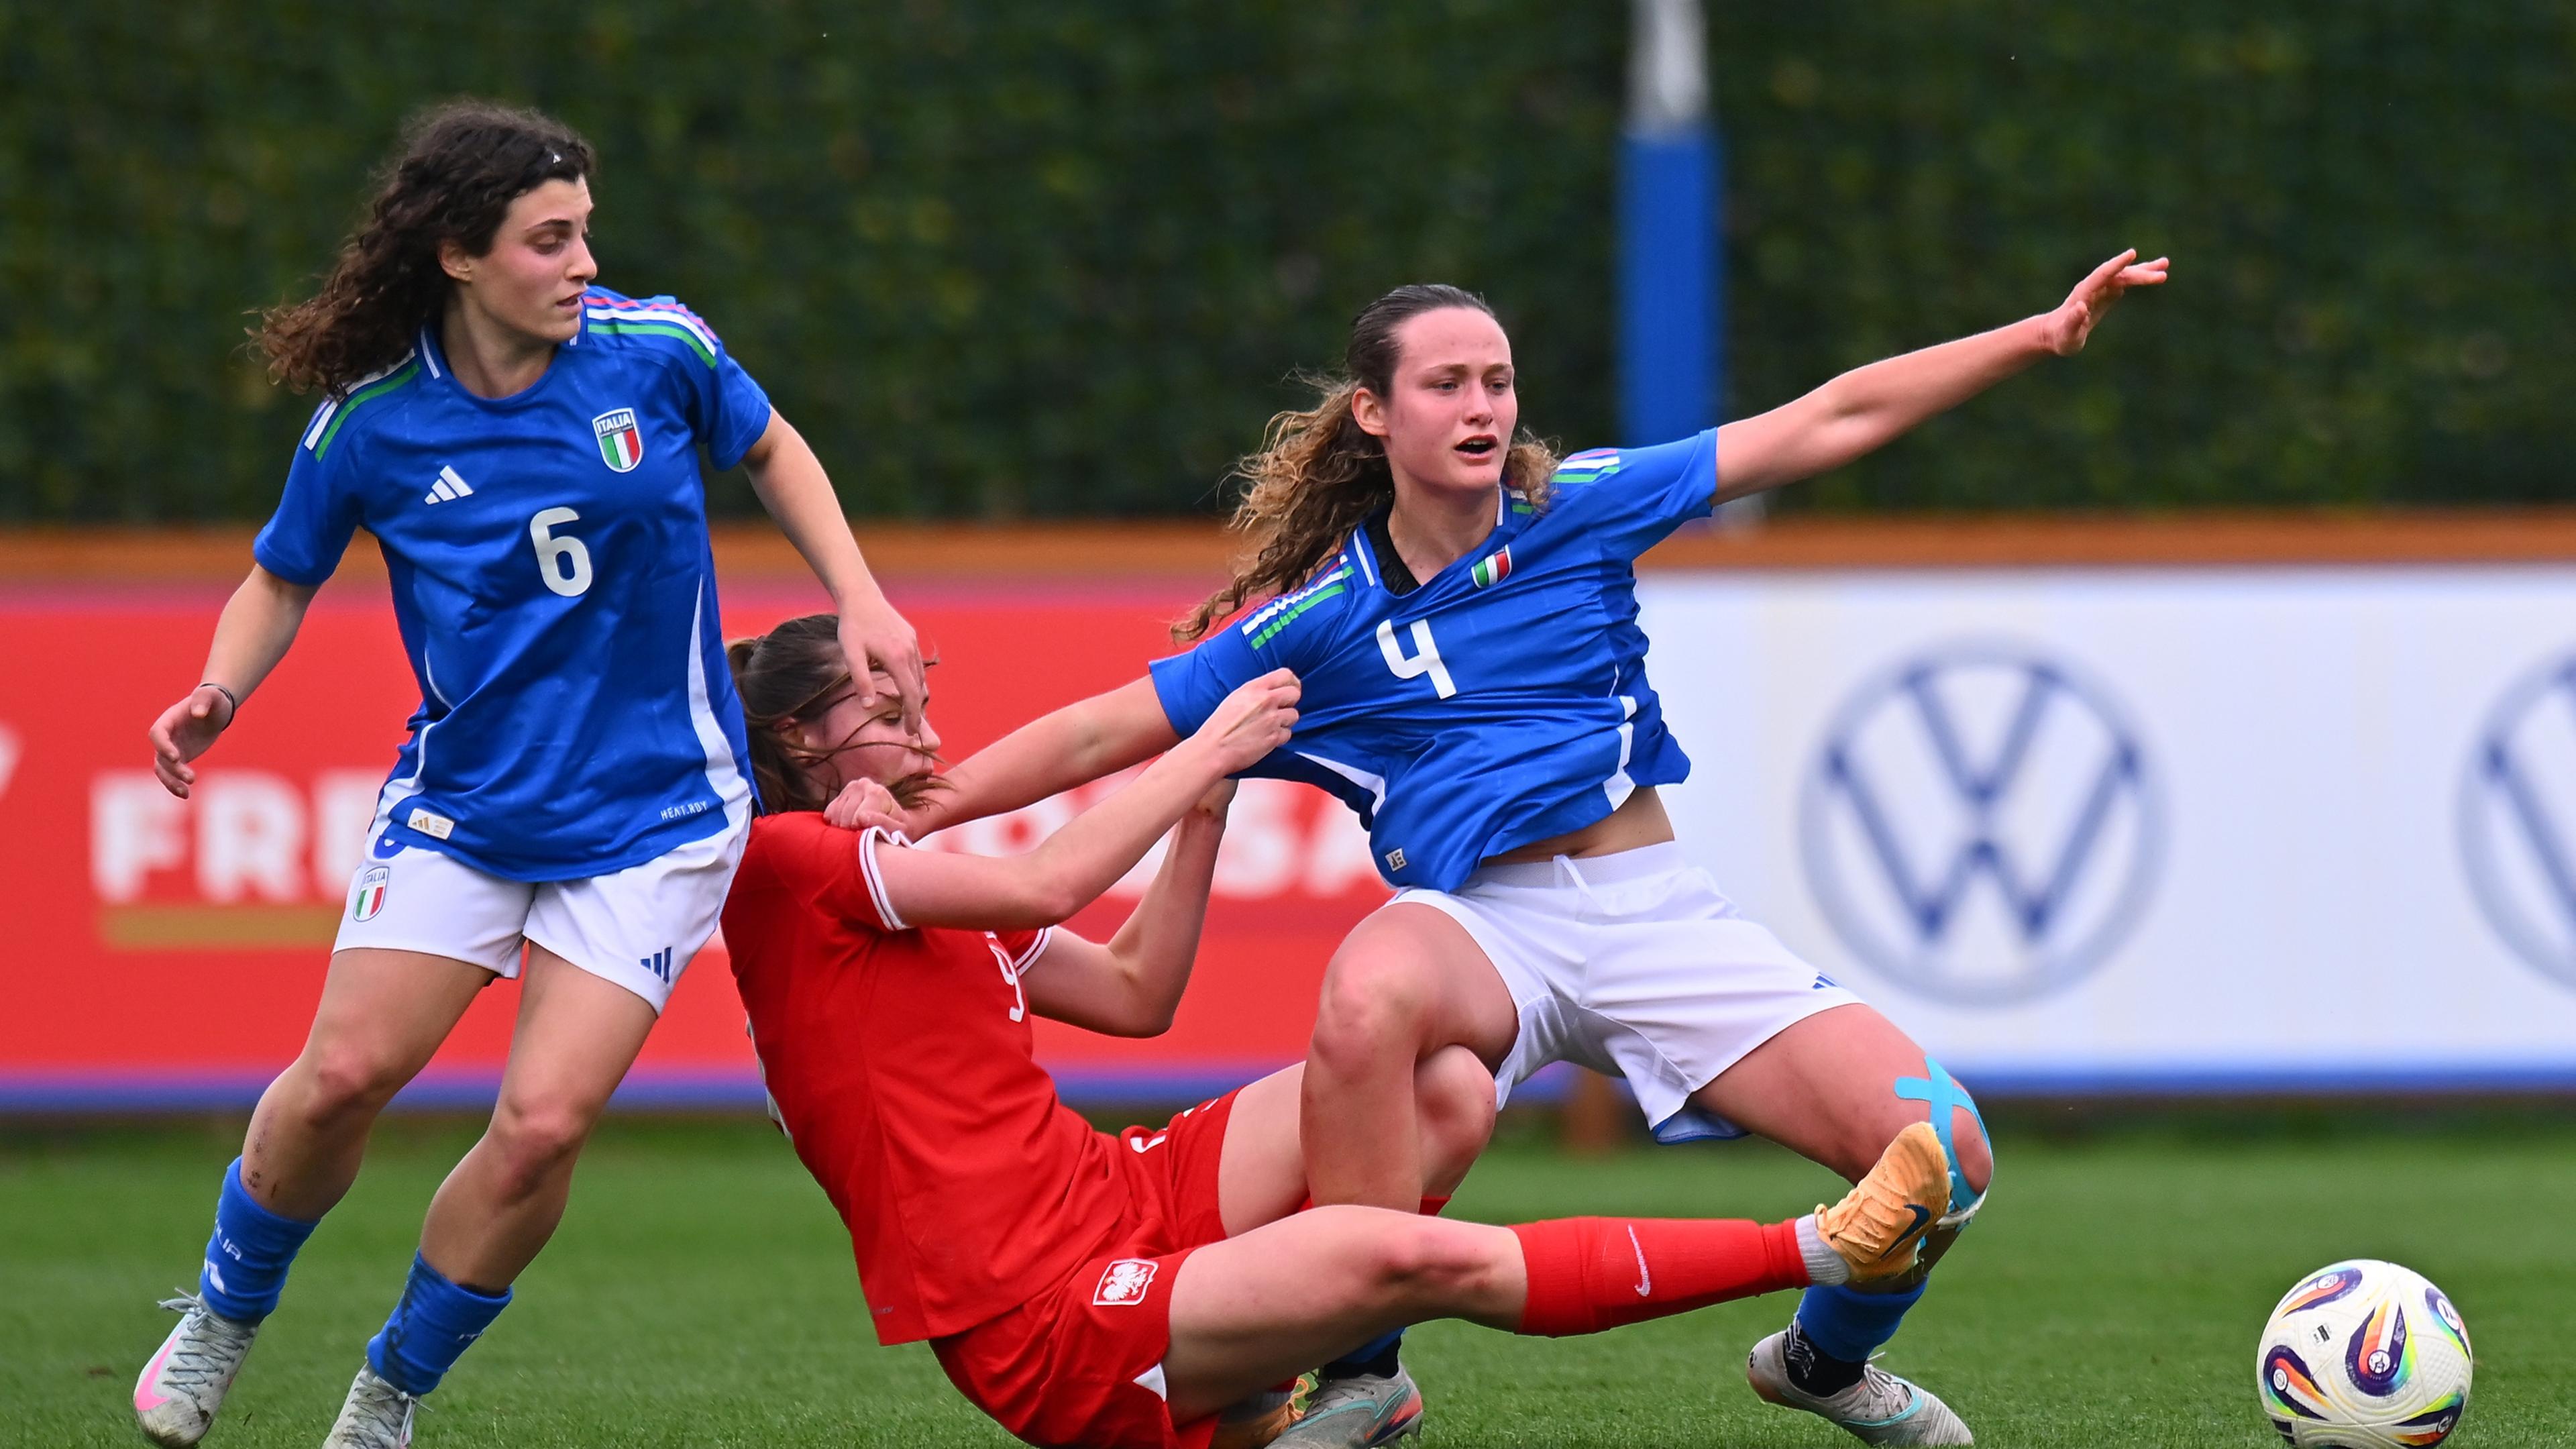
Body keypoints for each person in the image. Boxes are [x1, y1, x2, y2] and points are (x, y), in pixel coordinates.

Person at [862, 253, 2169, 1446]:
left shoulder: (1576, 507)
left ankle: (1823, 1366)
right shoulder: (1319, 620)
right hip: (1488, 924)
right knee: (1371, 990)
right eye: (1446, 383)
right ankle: (1363, 1368)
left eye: (1497, 379)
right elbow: (1104, 729)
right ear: (1376, 414)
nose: (1482, 404)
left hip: (1656, 914)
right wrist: (914, 809)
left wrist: (2037, 335)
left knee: (1947, 1157)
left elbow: (1823, 421)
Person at [130, 102, 925, 1449]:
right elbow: (283, 573)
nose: (579, 263)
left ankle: (389, 1393)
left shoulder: (655, 351)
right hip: (469, 809)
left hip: (662, 815)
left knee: (546, 1124)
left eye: (585, 234)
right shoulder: (372, 423)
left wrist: (858, 595)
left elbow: (772, 444)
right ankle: (222, 1313)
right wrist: (220, 687)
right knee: (339, 1083)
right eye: (547, 240)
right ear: (456, 252)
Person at [719, 613, 1953, 1449]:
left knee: (1450, 1092)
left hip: (1111, 1197)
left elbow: (1137, 995)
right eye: (890, 714)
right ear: (797, 740)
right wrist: (1206, 738)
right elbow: (1045, 885)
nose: (929, 741)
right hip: (1048, 1315)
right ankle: (1819, 1250)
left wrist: (1204, 807)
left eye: (923, 705)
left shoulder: (891, 873)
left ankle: (1279, 1387)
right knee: (1415, 1258)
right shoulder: (790, 863)